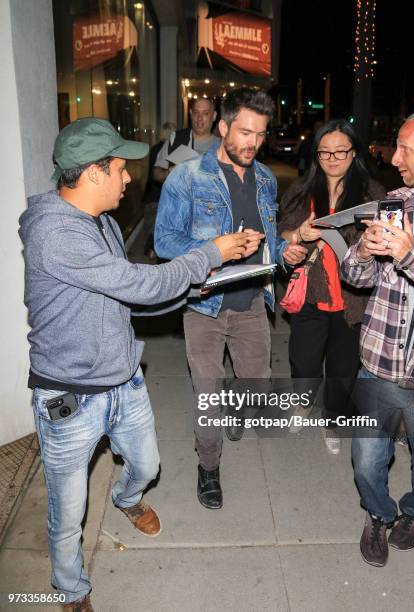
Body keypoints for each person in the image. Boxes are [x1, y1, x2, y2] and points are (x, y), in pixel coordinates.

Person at [18, 117, 249, 610]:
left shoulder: (97, 222)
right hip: (71, 396)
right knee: (68, 510)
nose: (129, 179)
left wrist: (191, 284)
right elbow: (142, 286)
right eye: (121, 169)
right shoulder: (57, 236)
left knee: (147, 465)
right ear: (93, 173)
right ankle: (71, 588)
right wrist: (209, 253)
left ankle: (126, 498)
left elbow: (126, 292)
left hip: (123, 380)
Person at [154, 87, 306, 510]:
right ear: (223, 127)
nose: (252, 143)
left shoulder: (265, 179)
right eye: (243, 132)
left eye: (260, 134)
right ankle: (208, 466)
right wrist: (216, 248)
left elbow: (268, 239)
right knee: (208, 394)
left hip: (252, 302)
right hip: (204, 304)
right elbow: (164, 241)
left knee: (254, 382)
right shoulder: (187, 177)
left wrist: (284, 250)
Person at [341, 107, 414, 567]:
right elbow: (356, 278)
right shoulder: (396, 202)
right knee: (366, 463)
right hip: (378, 365)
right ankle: (378, 515)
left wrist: (409, 252)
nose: (393, 155)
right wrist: (361, 249)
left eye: (406, 148)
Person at [278, 119, 386, 454]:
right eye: (325, 152)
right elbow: (282, 231)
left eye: (341, 151)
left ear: (354, 153)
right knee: (304, 360)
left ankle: (334, 418)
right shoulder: (302, 190)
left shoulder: (372, 194)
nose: (333, 158)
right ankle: (303, 403)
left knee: (343, 369)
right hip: (312, 293)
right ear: (316, 155)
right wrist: (297, 239)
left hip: (353, 300)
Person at [153, 97, 220, 184]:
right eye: (196, 113)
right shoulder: (176, 138)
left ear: (214, 116)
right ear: (191, 114)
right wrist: (172, 171)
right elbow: (156, 174)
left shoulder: (221, 146)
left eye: (205, 113)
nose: (199, 118)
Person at [143, 121, 176, 259]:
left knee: (151, 227)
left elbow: (151, 173)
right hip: (162, 196)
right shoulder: (173, 151)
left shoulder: (154, 148)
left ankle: (151, 251)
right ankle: (153, 251)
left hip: (150, 195)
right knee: (159, 229)